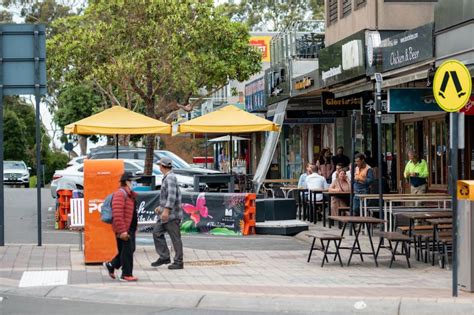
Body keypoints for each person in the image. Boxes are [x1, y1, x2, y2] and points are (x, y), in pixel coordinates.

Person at [103, 171, 139, 282]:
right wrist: (122, 231)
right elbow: (117, 213)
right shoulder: (120, 194)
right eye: (132, 181)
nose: (134, 183)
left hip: (129, 228)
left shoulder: (129, 194)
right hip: (124, 228)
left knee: (128, 249)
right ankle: (126, 274)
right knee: (127, 250)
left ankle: (111, 264)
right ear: (126, 182)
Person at [152, 157, 184, 270]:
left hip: (172, 215)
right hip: (167, 214)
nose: (159, 167)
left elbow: (171, 195)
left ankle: (178, 261)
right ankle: (164, 256)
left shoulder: (170, 177)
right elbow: (168, 197)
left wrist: (166, 210)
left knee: (175, 238)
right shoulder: (168, 177)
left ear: (162, 166)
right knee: (157, 232)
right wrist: (160, 208)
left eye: (159, 165)